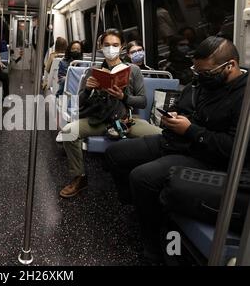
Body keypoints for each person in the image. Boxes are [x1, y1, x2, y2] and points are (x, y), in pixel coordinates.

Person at [105, 36, 247, 261]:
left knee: (142, 177)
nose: (200, 77)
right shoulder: (202, 83)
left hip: (204, 156)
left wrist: (190, 130)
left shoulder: (244, 97)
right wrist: (176, 119)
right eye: (196, 71)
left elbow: (233, 148)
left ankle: (152, 242)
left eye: (206, 73)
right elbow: (185, 107)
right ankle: (141, 207)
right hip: (176, 140)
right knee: (116, 154)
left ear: (230, 66)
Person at [58, 29, 161, 199]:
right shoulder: (93, 72)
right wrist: (88, 89)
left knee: (161, 136)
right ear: (100, 47)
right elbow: (79, 102)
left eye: (115, 45)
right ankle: (79, 177)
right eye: (107, 45)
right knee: (69, 132)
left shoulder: (133, 70)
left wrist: (123, 96)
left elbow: (142, 101)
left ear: (121, 48)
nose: (111, 49)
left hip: (125, 120)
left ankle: (153, 180)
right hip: (99, 119)